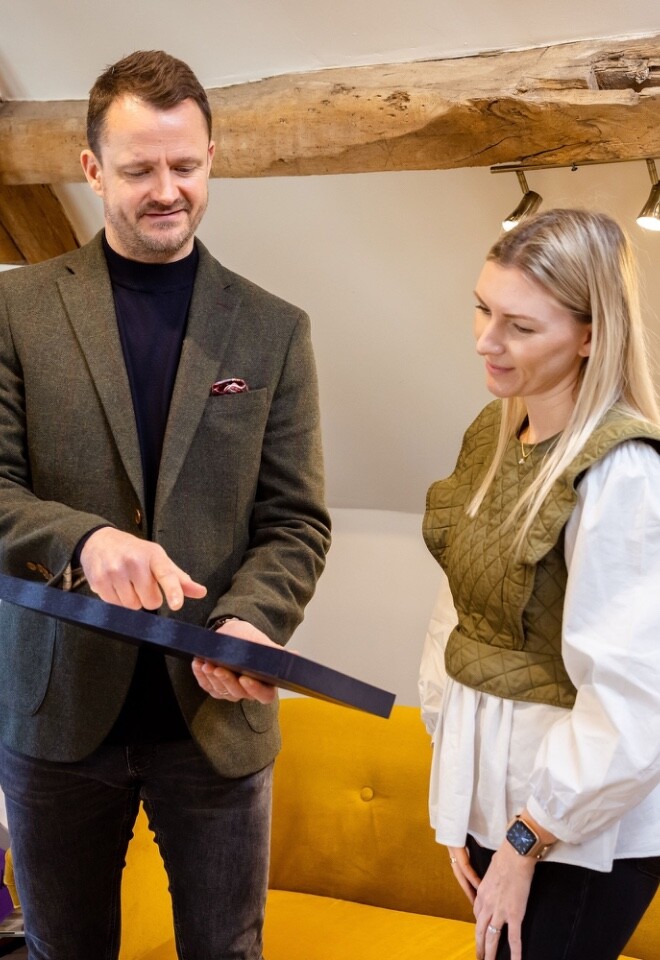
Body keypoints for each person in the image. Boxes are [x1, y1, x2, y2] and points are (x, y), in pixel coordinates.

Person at [0, 49, 330, 960]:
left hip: (215, 726)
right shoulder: (17, 310)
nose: (166, 190)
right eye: (139, 169)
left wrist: (257, 618)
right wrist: (86, 540)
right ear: (92, 169)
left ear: (212, 158)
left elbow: (295, 520)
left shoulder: (274, 328)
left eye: (185, 166)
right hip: (54, 716)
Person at [419, 208, 660, 960]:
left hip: (584, 831)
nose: (488, 340)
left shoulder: (622, 472)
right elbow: (457, 619)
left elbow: (633, 700)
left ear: (591, 334)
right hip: (502, 809)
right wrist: (460, 802)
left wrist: (526, 840)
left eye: (521, 327)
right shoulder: (495, 434)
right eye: (484, 309)